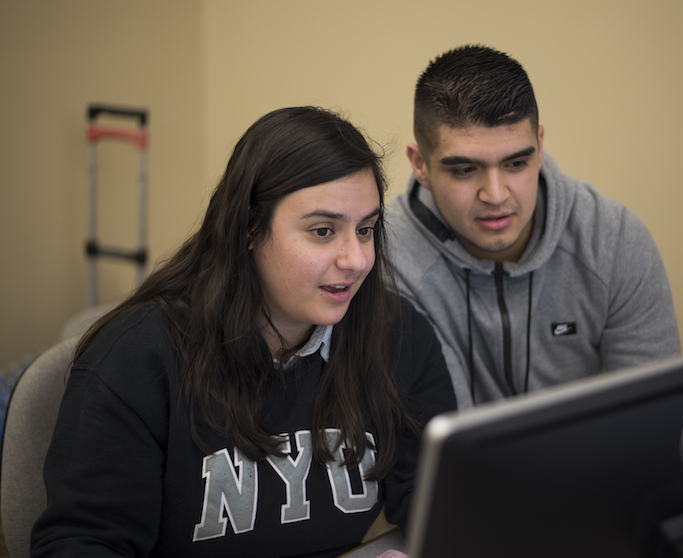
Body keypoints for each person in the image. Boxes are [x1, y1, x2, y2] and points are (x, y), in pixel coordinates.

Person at [31, 107, 456, 558]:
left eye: (366, 229)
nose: (355, 259)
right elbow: (82, 544)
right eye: (323, 230)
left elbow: (441, 504)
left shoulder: (398, 335)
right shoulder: (138, 359)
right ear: (250, 227)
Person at [387, 45, 681, 409]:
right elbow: (445, 439)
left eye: (516, 164)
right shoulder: (386, 261)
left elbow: (655, 414)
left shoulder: (614, 239)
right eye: (464, 170)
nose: (495, 195)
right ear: (420, 164)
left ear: (539, 147)